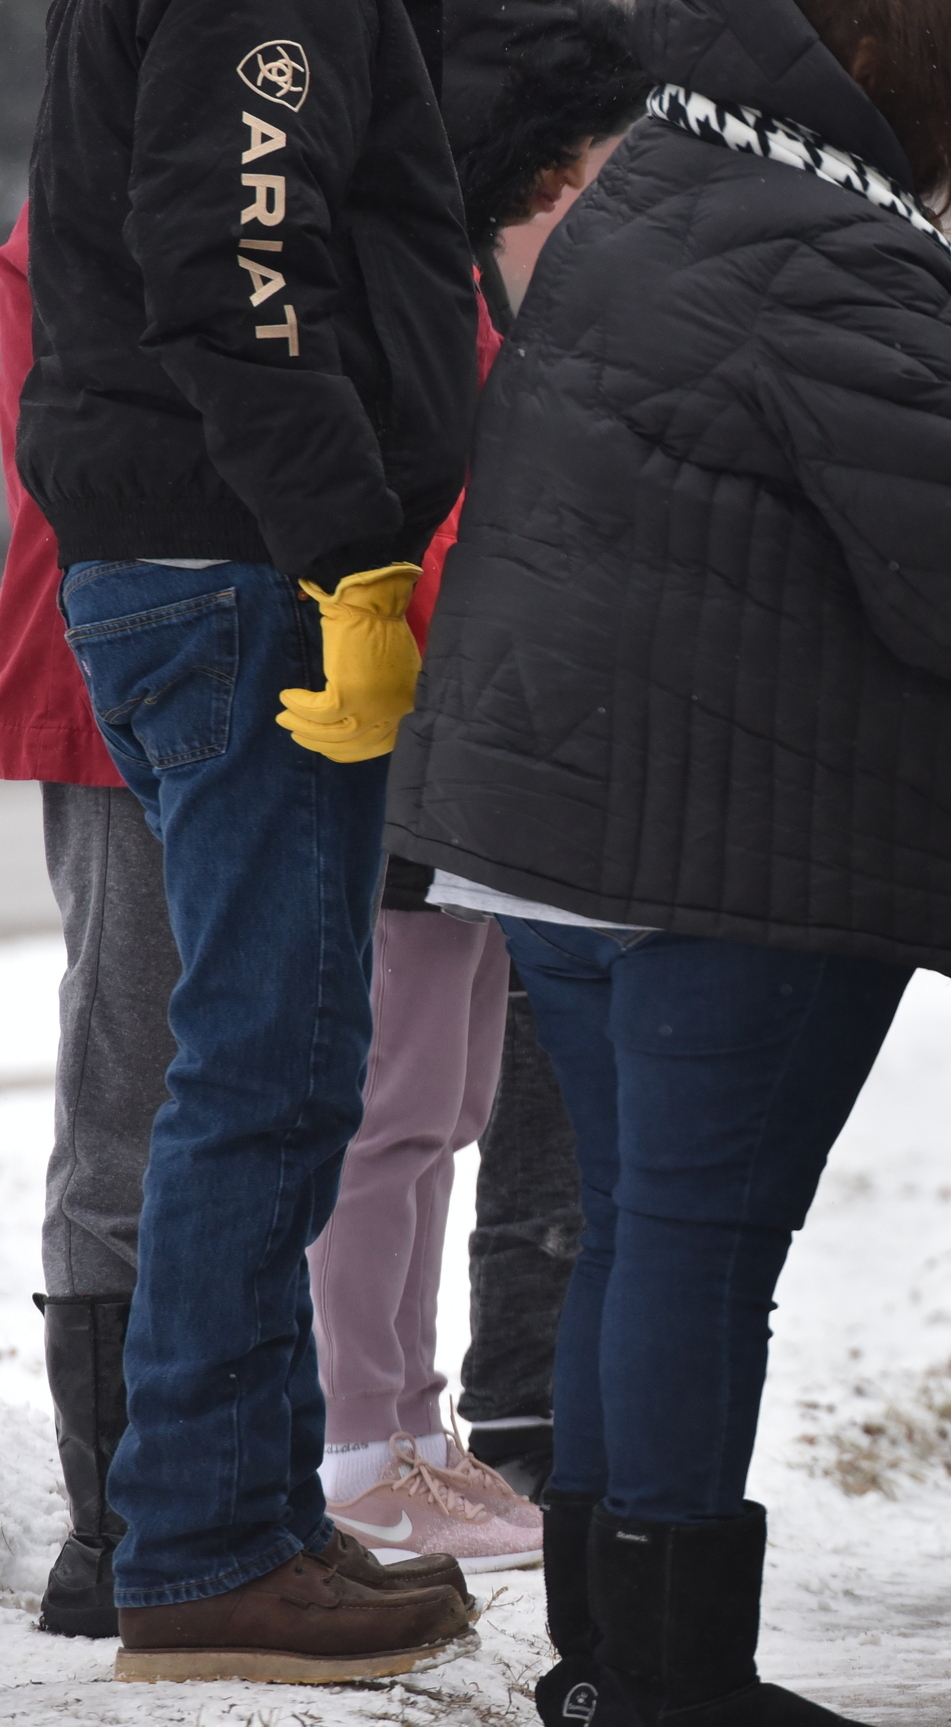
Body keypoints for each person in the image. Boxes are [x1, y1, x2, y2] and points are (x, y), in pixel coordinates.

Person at [382, 0, 951, 1717]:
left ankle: (613, 1661)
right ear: (901, 62)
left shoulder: (660, 186)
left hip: (567, 831)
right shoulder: (826, 242)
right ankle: (669, 1680)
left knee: (641, 1239)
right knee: (694, 1249)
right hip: (724, 852)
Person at [16, 0, 482, 1678]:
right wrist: (347, 540)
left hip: (199, 550)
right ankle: (210, 1545)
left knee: (278, 1055)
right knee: (264, 1067)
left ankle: (259, 1516)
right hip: (243, 563)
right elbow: (240, 243)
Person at [306, 0, 648, 1574]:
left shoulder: (501, 303)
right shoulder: (428, 293)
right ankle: (358, 1429)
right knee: (386, 1112)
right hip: (405, 733)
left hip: (479, 752)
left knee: (444, 1105)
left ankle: (419, 1420)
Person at [0, 204, 185, 1642]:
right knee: (135, 1081)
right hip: (128, 675)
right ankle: (114, 1532)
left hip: (193, 658)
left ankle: (176, 1509)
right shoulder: (85, 210)